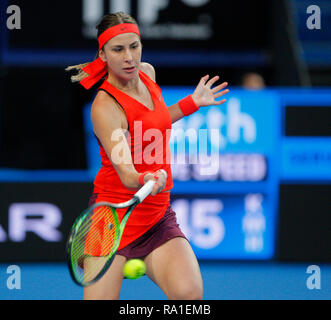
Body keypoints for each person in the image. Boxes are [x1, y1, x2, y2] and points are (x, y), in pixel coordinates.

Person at [66, 12, 229, 300]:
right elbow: (127, 174)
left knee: (189, 296)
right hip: (111, 222)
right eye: (118, 49)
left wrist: (192, 103)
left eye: (134, 46)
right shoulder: (105, 107)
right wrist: (146, 177)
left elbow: (154, 122)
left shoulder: (147, 73)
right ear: (102, 54)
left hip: (156, 217)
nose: (129, 57)